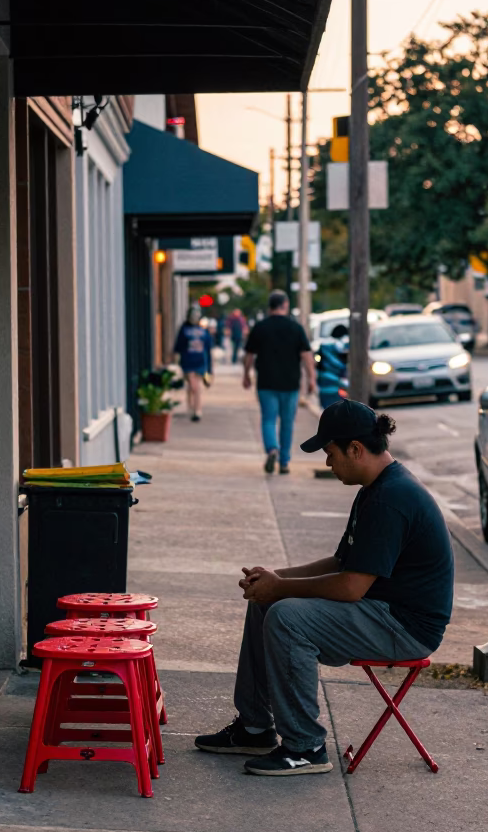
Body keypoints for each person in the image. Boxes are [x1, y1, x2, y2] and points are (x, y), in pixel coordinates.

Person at [195, 399, 454, 776]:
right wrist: (276, 578)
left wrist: (281, 590)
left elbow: (350, 587)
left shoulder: (391, 498)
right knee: (266, 603)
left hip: (406, 627)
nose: (328, 463)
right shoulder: (376, 489)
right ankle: (254, 728)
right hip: (381, 610)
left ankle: (306, 746)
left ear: (355, 449)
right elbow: (340, 563)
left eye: (330, 453)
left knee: (286, 616)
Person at [243, 289, 316, 474]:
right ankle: (284, 462)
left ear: (270, 307)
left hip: (266, 382)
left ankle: (272, 448)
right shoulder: (296, 327)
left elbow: (249, 355)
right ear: (285, 305)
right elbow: (307, 355)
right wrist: (311, 379)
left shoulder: (260, 327)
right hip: (290, 383)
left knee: (268, 419)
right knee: (287, 422)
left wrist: (246, 374)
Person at [173, 306, 213, 421]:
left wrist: (210, 369)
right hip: (187, 361)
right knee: (193, 386)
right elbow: (178, 346)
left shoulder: (204, 330)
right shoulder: (184, 329)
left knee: (196, 387)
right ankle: (194, 408)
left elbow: (208, 348)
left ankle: (195, 409)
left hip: (200, 361)